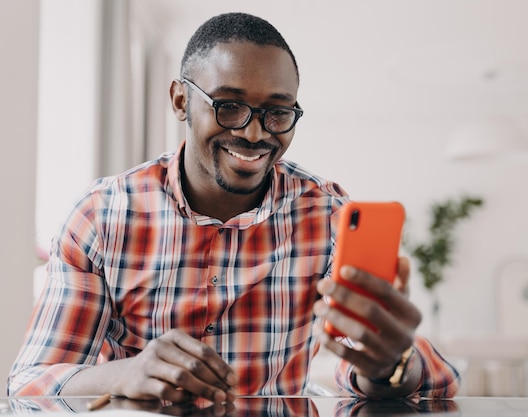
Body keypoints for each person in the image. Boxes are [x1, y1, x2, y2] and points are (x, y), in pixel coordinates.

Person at [8, 12, 459, 402]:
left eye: (277, 113)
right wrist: (125, 373)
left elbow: (401, 375)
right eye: (228, 107)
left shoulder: (327, 218)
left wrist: (389, 364)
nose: (255, 133)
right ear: (181, 100)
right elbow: (31, 383)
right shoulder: (102, 217)